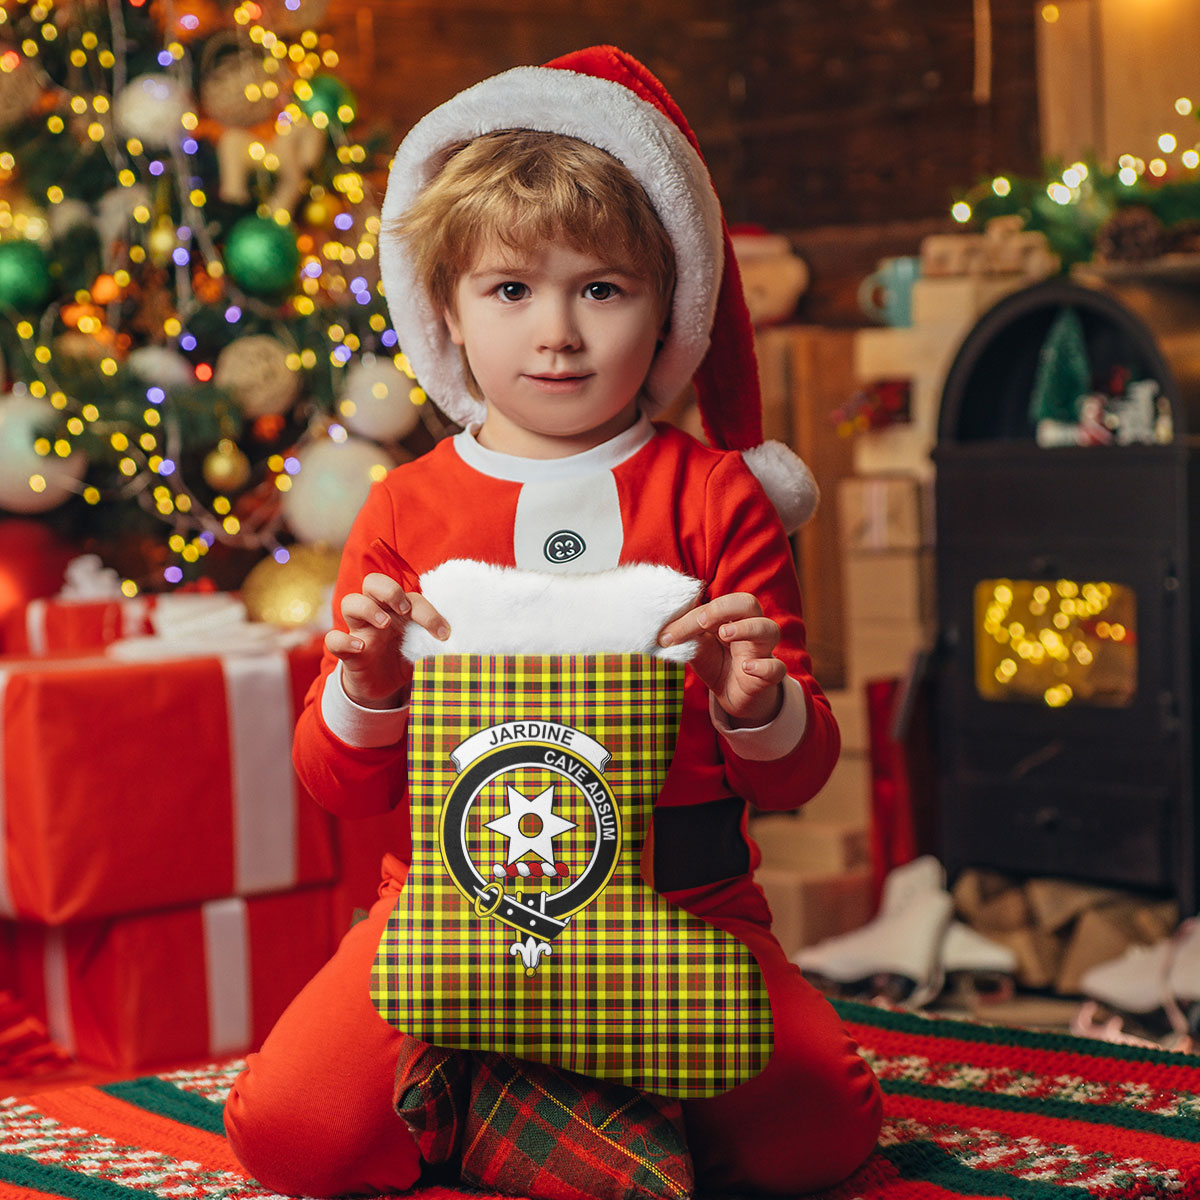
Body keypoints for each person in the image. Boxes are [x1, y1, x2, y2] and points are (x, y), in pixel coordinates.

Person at [224, 45, 882, 1197]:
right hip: (447, 907)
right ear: (447, 310)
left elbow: (796, 780)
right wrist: (368, 686)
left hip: (686, 908)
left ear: (665, 303)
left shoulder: (716, 496)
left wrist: (760, 705)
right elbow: (339, 784)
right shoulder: (407, 504)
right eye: (512, 289)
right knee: (292, 1136)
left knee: (819, 1136)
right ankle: (536, 1090)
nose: (558, 334)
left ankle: (534, 1090)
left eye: (602, 288)